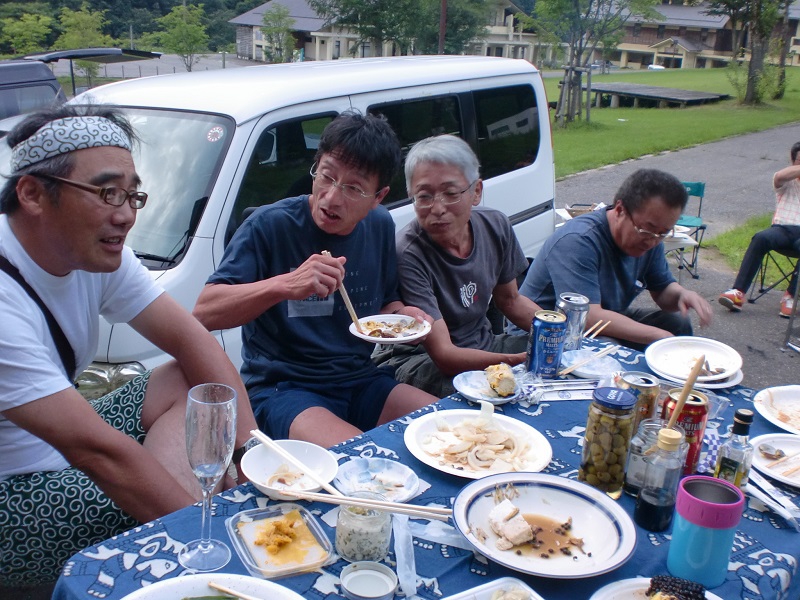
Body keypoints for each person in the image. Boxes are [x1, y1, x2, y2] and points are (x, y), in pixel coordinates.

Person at [0, 105, 258, 587]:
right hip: (11, 496)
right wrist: (218, 543)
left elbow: (190, 339)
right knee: (157, 494)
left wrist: (248, 452)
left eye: (131, 195)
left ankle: (192, 521)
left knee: (190, 382)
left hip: (63, 442)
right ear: (32, 193)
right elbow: (99, 452)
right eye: (106, 193)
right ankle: (194, 557)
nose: (125, 216)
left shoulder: (92, 250)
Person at [193, 111, 436, 448]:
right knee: (361, 458)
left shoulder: (379, 225)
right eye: (327, 176)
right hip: (284, 388)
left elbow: (385, 302)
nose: (332, 197)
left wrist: (403, 316)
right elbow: (204, 312)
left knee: (448, 430)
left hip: (360, 379)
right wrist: (286, 284)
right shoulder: (269, 226)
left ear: (378, 197)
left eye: (353, 188)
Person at [373, 135, 541, 396]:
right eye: (424, 196)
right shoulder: (408, 252)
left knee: (558, 357)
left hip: (484, 345)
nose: (437, 208)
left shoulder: (495, 225)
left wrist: (556, 333)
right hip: (421, 360)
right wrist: (516, 362)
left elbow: (510, 301)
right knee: (500, 390)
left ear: (476, 191)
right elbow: (444, 355)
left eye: (451, 193)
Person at [518, 168, 713, 351]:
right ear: (620, 210)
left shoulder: (651, 238)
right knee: (609, 350)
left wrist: (682, 295)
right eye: (647, 230)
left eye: (663, 233)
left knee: (677, 323)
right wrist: (658, 336)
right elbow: (589, 317)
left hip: (602, 317)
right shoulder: (578, 240)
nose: (653, 241)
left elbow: (662, 290)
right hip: (543, 330)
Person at [719, 142, 800, 318]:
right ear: (793, 161)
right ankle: (738, 292)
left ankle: (790, 297)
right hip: (783, 229)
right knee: (761, 237)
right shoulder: (786, 181)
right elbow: (779, 176)